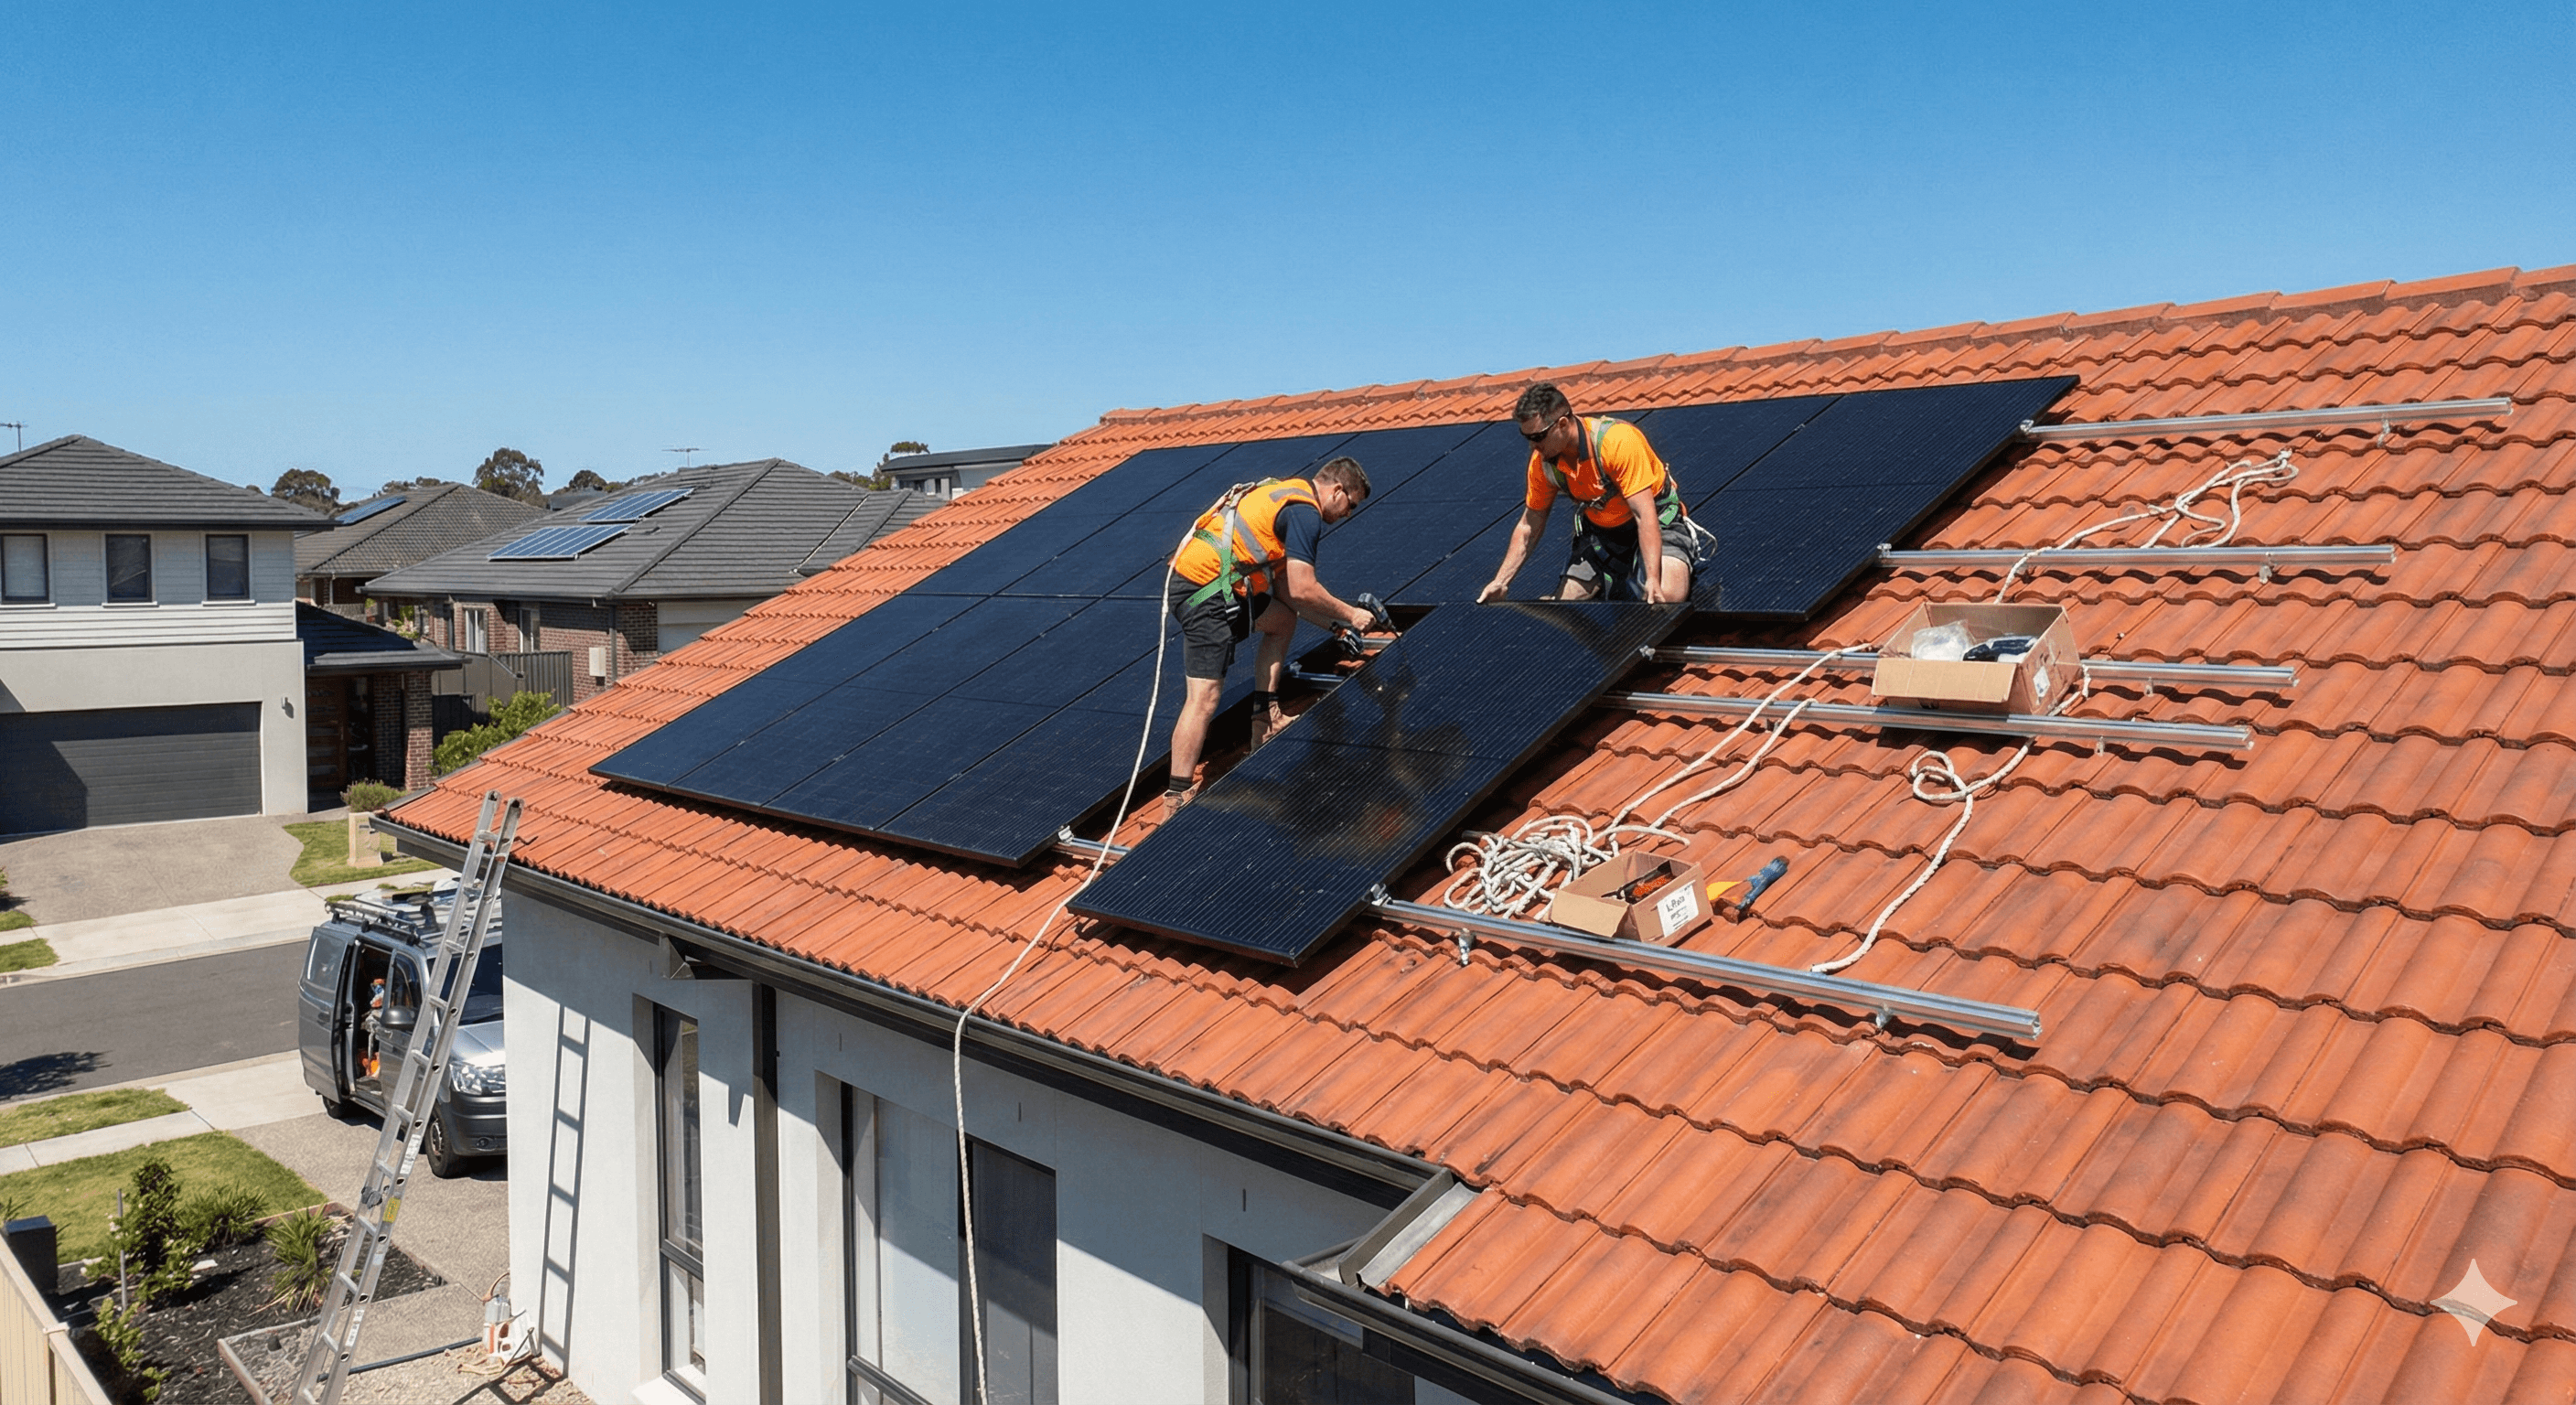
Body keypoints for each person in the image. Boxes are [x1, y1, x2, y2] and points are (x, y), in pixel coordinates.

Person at [1164, 456, 1379, 809]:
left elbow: (1288, 592)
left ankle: (1265, 718)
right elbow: (1305, 587)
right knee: (1204, 697)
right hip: (1202, 591)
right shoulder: (1304, 513)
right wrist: (1351, 614)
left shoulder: (1287, 495)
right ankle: (1177, 794)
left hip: (1220, 587)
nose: (1347, 514)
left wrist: (1335, 626)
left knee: (1281, 621)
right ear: (1337, 490)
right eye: (1350, 505)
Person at [1477, 381, 1701, 606]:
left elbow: (1644, 515)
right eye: (1527, 437)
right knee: (1563, 605)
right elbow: (1530, 524)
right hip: (1602, 538)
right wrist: (1501, 581)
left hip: (1658, 526)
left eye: (1538, 437)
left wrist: (1652, 579)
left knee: (1666, 596)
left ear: (1562, 424)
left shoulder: (1617, 442)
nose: (1533, 445)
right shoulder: (1544, 464)